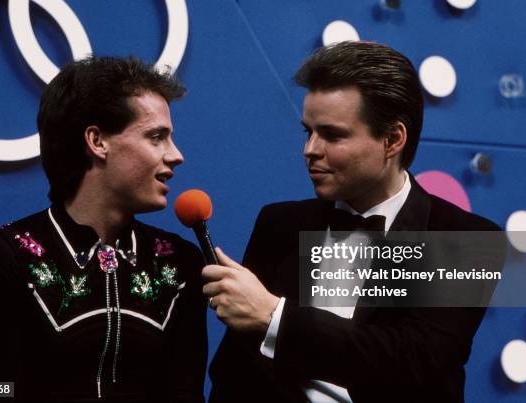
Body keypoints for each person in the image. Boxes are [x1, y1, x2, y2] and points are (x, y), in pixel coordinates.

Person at [205, 41, 501, 403]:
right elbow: (233, 372)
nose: (310, 149)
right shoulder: (278, 223)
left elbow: (416, 362)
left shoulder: (466, 239)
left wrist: (273, 316)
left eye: (332, 135)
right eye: (307, 131)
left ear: (392, 139)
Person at [0, 56, 207, 402]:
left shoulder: (181, 262)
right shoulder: (1, 256)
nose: (176, 155)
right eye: (156, 137)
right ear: (97, 141)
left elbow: (186, 393)